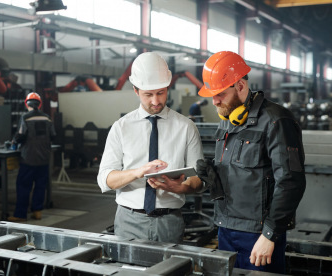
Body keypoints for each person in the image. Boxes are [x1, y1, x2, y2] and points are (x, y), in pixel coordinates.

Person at [196, 51, 306, 274]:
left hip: (258, 234)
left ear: (239, 86)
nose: (214, 101)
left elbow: (290, 181)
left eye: (220, 94)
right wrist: (213, 179)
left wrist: (270, 234)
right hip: (226, 228)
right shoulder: (228, 120)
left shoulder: (276, 120)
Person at [97, 52, 205, 243]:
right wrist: (138, 172)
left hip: (170, 221)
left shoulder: (186, 127)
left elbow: (199, 180)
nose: (156, 101)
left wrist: (179, 187)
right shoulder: (121, 127)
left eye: (161, 93)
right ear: (136, 90)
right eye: (148, 95)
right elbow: (105, 180)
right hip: (128, 221)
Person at [8, 92, 56, 222]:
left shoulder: (25, 117)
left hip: (28, 158)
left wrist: (13, 142)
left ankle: (20, 214)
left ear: (26, 104)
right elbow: (53, 135)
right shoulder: (47, 118)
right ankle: (37, 211)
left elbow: (20, 135)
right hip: (44, 158)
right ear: (39, 104)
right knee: (40, 185)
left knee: (23, 186)